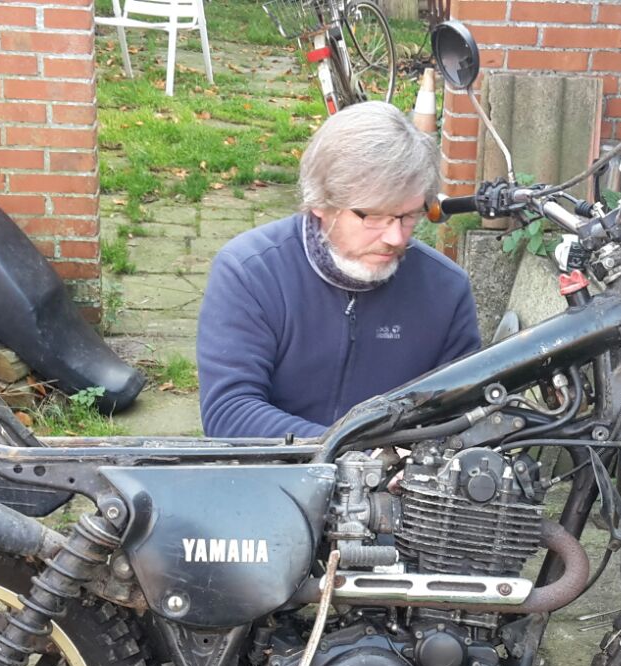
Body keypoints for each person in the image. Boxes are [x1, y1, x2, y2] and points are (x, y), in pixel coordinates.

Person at [196, 101, 482, 439]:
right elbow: (229, 413)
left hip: (402, 471)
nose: (395, 237)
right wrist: (357, 453)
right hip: (273, 468)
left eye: (408, 216)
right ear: (320, 203)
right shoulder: (251, 273)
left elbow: (463, 415)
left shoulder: (446, 291)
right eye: (373, 216)